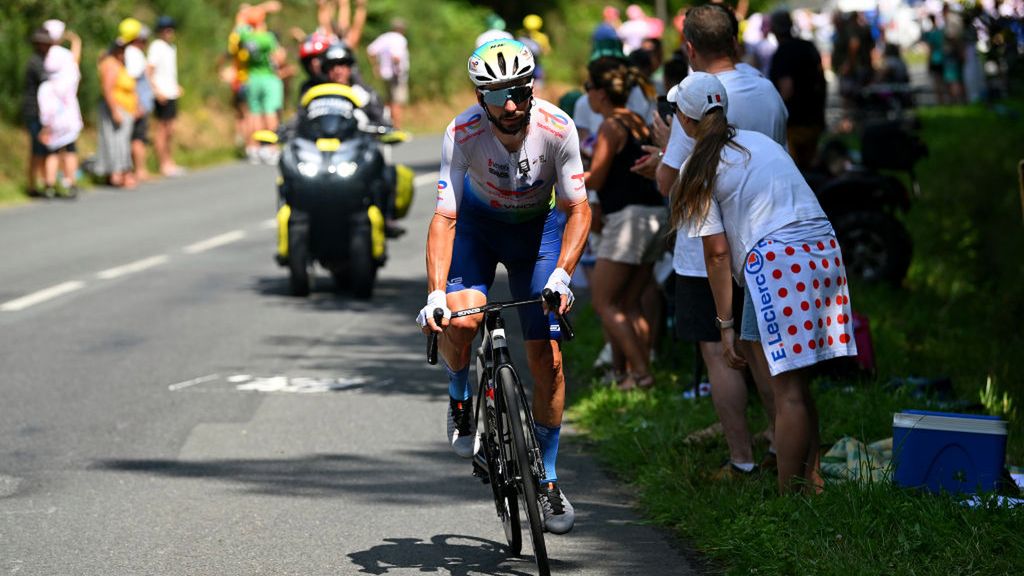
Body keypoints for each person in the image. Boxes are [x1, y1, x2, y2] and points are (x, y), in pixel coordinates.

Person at [417, 39, 591, 535]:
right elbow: (445, 216)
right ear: (480, 99)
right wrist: (435, 295)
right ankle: (458, 393)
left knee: (548, 360)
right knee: (463, 320)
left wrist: (562, 274)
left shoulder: (558, 128)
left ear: (531, 86)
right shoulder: (462, 133)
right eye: (497, 96)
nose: (511, 105)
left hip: (538, 235)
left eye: (519, 90)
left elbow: (579, 208)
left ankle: (549, 480)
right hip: (477, 229)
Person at [669, 72, 857, 493]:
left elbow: (717, 254)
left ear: (684, 119)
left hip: (777, 260)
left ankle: (790, 496)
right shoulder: (761, 142)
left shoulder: (697, 168)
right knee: (795, 383)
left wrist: (724, 324)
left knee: (786, 389)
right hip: (821, 248)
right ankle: (810, 478)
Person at [656, 4, 788, 480]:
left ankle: (742, 460)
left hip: (706, 247)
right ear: (735, 41)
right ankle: (781, 447)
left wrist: (659, 150)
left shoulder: (697, 97)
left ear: (689, 48)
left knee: (721, 353)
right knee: (765, 353)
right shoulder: (769, 92)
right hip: (765, 238)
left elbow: (667, 181)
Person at [584, 57, 666, 390]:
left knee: (604, 302)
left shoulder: (609, 126)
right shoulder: (635, 119)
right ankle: (626, 374)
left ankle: (642, 374)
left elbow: (598, 177)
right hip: (654, 216)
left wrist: (562, 181)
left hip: (628, 219)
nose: (586, 94)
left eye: (588, 88)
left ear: (601, 93)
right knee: (630, 303)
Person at [768, 10, 827, 171]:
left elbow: (786, 90)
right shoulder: (808, 46)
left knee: (796, 171)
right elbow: (821, 78)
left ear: (773, 29)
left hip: (794, 123)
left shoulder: (782, 53)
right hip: (815, 118)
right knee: (811, 169)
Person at [37, 20, 83, 198]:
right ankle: (70, 182)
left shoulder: (44, 56)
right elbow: (75, 65)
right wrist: (75, 43)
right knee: (69, 148)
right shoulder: (64, 57)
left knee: (52, 149)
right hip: (67, 108)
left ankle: (49, 184)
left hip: (49, 105)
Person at [237, 6, 286, 163]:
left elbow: (239, 23)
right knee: (270, 112)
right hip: (269, 78)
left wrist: (246, 11)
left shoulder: (246, 37)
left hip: (252, 78)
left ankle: (254, 148)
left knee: (254, 113)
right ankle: (270, 148)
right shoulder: (267, 38)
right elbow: (279, 58)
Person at [96, 27, 139, 188]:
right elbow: (107, 90)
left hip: (125, 108)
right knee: (115, 142)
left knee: (121, 142)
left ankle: (120, 173)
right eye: (121, 49)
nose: (123, 52)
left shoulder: (120, 64)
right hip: (116, 108)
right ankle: (117, 174)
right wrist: (114, 110)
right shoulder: (111, 64)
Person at [149, 16, 184, 177]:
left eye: (170, 29)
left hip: (171, 92)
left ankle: (170, 161)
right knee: (162, 130)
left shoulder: (171, 47)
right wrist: (156, 91)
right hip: (162, 93)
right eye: (165, 29)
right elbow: (150, 71)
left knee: (170, 129)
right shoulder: (157, 46)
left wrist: (175, 86)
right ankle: (163, 163)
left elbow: (168, 72)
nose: (168, 32)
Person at [23, 28, 53, 198]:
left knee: (43, 148)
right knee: (37, 148)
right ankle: (33, 184)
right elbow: (47, 82)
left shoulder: (44, 61)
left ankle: (41, 182)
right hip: (35, 110)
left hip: (44, 111)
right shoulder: (35, 62)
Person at [124, 20, 153, 182]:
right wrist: (138, 104)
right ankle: (140, 170)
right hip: (136, 103)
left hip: (138, 102)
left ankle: (138, 170)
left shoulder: (130, 53)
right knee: (137, 137)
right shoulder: (133, 54)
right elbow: (132, 81)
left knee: (138, 137)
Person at [366, 18, 410, 128]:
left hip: (385, 74)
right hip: (396, 75)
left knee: (388, 100)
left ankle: (387, 125)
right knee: (397, 102)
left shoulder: (385, 37)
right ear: (402, 29)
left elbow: (371, 51)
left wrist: (376, 67)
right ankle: (397, 127)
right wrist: (396, 68)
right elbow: (396, 56)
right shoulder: (400, 39)